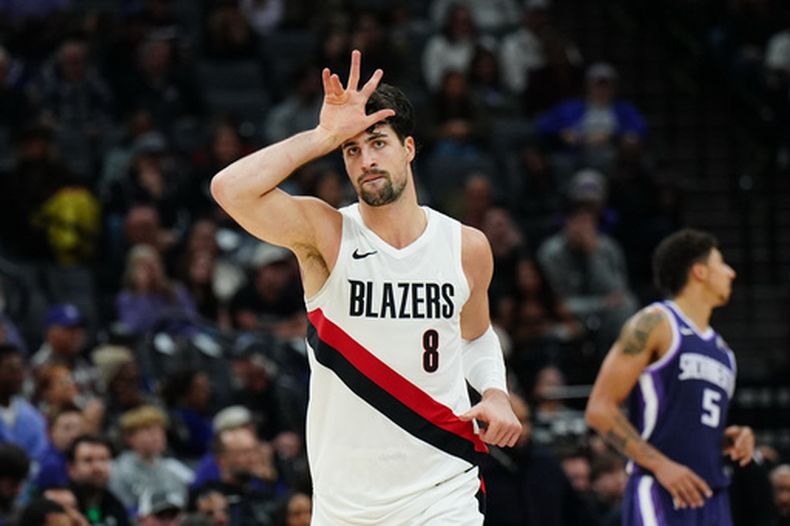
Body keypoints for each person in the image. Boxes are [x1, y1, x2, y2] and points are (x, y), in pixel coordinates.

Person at [210, 50, 521, 524]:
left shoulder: (466, 246)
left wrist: (495, 391)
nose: (366, 160)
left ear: (409, 148)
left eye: (378, 143)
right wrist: (322, 136)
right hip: (346, 504)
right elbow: (229, 190)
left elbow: (476, 336)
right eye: (352, 150)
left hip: (443, 488)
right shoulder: (326, 234)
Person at [585, 228, 755, 525]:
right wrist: (661, 466)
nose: (731, 273)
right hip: (661, 489)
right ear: (699, 271)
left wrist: (725, 438)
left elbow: (685, 422)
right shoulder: (655, 323)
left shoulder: (724, 352)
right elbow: (599, 409)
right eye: (722, 264)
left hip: (712, 494)